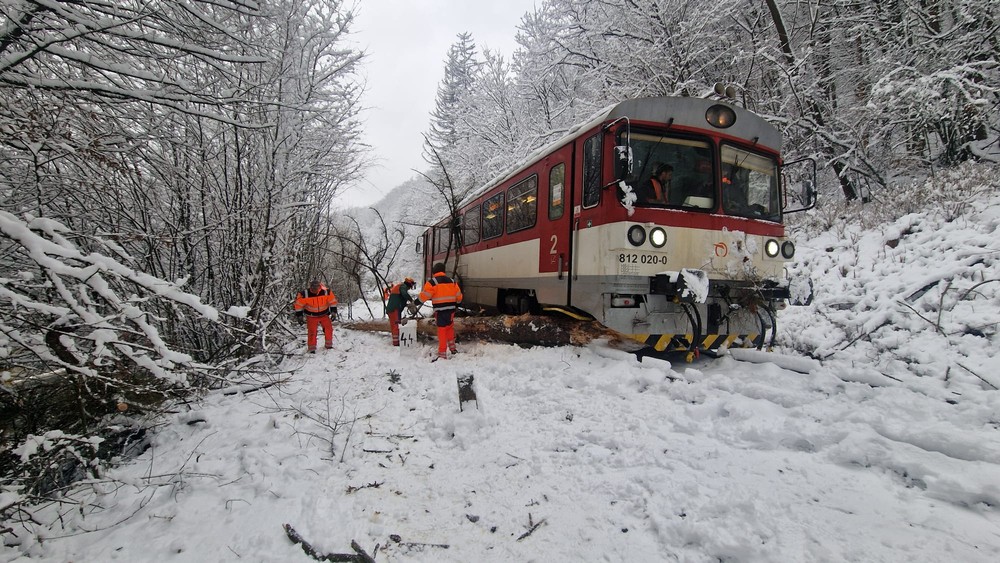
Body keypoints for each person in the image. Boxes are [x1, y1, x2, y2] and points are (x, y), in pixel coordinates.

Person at [416, 263, 463, 361]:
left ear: (434, 272)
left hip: (440, 311)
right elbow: (459, 297)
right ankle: (453, 348)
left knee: (442, 331)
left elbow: (425, 295)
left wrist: (416, 302)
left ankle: (442, 353)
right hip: (451, 310)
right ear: (444, 271)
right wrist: (456, 303)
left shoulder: (432, 282)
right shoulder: (452, 281)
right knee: (449, 328)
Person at [294, 280, 338, 353]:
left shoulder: (326, 292)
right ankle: (312, 349)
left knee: (328, 329)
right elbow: (298, 305)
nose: (314, 289)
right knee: (312, 332)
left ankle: (328, 345)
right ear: (310, 287)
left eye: (316, 287)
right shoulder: (304, 294)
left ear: (319, 287)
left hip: (324, 314)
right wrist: (299, 316)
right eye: (312, 288)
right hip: (311, 316)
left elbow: (332, 302)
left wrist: (333, 312)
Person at [385, 277, 417, 346]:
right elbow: (404, 294)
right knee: (396, 325)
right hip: (394, 309)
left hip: (394, 309)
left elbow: (400, 299)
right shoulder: (403, 286)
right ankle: (396, 342)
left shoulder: (399, 287)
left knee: (395, 325)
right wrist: (411, 300)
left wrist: (406, 305)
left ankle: (396, 341)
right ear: (410, 284)